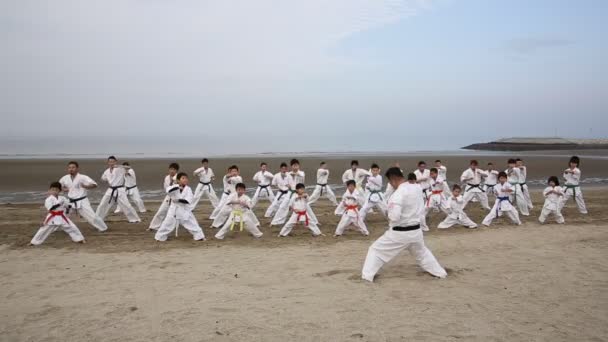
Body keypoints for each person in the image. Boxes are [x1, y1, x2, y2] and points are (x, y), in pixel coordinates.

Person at [361, 168, 447, 282]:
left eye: (390, 182)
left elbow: (394, 216)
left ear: (393, 179)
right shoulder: (417, 188)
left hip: (399, 233)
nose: (391, 185)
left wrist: (388, 213)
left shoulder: (397, 194)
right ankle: (440, 273)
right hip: (416, 231)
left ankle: (367, 277)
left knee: (375, 250)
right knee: (422, 254)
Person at [154, 173, 205, 242]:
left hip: (184, 209)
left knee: (192, 223)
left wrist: (178, 200)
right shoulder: (173, 187)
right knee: (167, 223)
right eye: (183, 178)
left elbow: (189, 200)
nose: (185, 180)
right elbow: (168, 191)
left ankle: (199, 236)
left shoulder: (188, 189)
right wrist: (178, 186)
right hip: (173, 210)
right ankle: (160, 237)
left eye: (186, 178)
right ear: (178, 180)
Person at [59, 161, 108, 232]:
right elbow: (58, 186)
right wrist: (64, 189)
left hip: (82, 201)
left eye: (73, 167)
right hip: (70, 201)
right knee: (62, 215)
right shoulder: (65, 178)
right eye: (69, 167)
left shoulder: (83, 177)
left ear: (77, 168)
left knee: (92, 216)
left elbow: (94, 185)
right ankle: (58, 227)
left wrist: (85, 186)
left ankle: (103, 228)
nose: (71, 169)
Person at [95, 156, 141, 223]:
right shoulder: (107, 171)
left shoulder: (120, 169)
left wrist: (118, 166)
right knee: (102, 204)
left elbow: (129, 167)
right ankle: (98, 219)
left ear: (115, 162)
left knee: (126, 205)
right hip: (110, 190)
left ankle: (135, 219)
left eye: (113, 161)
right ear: (108, 162)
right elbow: (103, 178)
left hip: (120, 190)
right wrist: (109, 179)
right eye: (110, 162)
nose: (111, 163)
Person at [271, 159, 305, 226]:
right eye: (294, 165)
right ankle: (275, 222)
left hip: (299, 192)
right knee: (282, 206)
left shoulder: (302, 173)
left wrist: (294, 174)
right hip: (290, 192)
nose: (295, 167)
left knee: (305, 207)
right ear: (291, 166)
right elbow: (285, 182)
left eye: (297, 165)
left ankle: (313, 222)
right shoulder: (288, 174)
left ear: (299, 166)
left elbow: (301, 176)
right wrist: (288, 185)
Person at [149, 163, 180, 230]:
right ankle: (154, 226)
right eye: (171, 169)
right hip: (168, 197)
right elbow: (166, 188)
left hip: (177, 198)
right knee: (161, 211)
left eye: (174, 169)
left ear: (176, 171)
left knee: (182, 214)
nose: (172, 171)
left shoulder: (179, 178)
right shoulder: (167, 178)